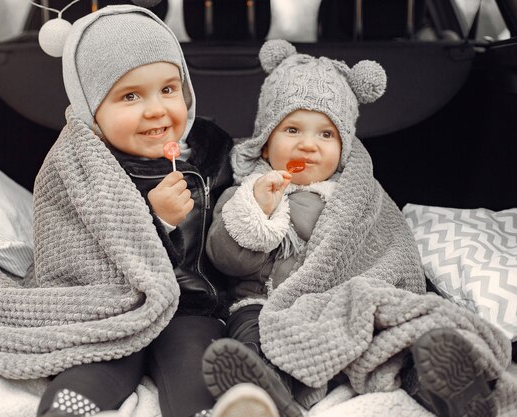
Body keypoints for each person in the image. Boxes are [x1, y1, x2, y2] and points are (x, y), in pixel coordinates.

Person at [202, 39, 501, 417]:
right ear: (265, 144)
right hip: (268, 302)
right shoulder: (247, 191)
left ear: (343, 148)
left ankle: (443, 385)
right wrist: (257, 212)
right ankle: (265, 396)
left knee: (394, 335)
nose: (309, 145)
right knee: (250, 333)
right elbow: (227, 261)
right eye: (292, 130)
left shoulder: (357, 194)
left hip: (348, 299)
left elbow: (391, 249)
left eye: (326, 134)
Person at [33, 5, 277, 417]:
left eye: (168, 89)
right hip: (113, 306)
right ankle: (67, 409)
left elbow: (232, 236)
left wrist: (257, 206)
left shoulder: (211, 150)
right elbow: (69, 254)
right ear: (92, 109)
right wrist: (157, 220)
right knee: (96, 364)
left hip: (191, 304)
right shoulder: (77, 166)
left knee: (194, 364)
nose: (156, 110)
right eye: (130, 96)